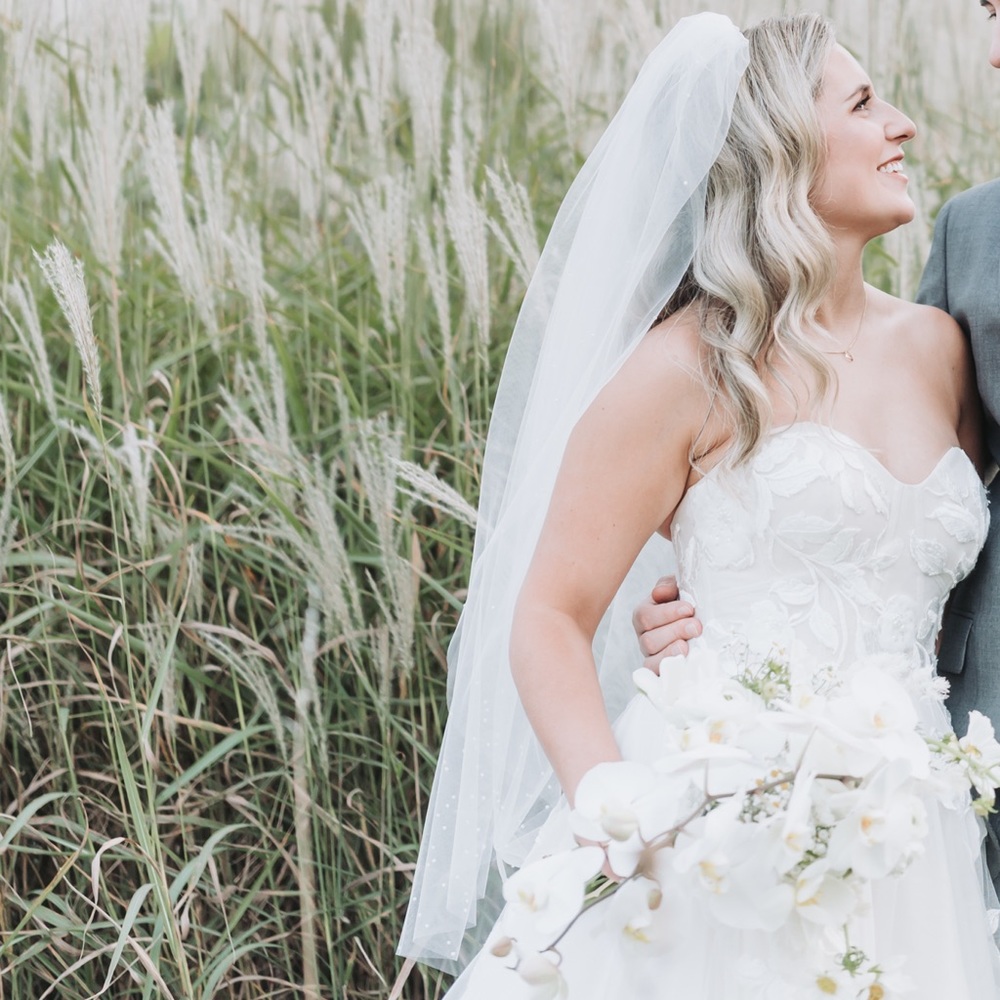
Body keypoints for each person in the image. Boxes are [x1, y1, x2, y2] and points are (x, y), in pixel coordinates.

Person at [399, 12, 1000, 997]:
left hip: (912, 832)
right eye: (861, 103)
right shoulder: (685, 369)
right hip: (715, 830)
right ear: (779, 147)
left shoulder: (940, 348)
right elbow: (549, 611)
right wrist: (617, 810)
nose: (902, 126)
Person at [635, 0, 1000, 886]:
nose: (991, 54)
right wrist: (712, 622)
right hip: (932, 781)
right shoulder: (969, 235)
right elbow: (917, 488)